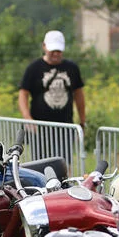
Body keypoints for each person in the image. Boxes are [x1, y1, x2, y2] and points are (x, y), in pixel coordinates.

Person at [19, 30, 87, 162]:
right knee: (40, 163)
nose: (56, 54)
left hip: (65, 126)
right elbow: (23, 94)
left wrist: (82, 121)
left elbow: (79, 94)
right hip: (40, 127)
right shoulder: (34, 68)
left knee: (63, 163)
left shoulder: (72, 68)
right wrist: (28, 118)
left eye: (58, 50)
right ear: (44, 46)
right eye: (52, 50)